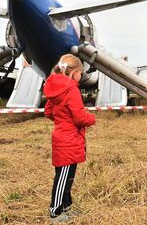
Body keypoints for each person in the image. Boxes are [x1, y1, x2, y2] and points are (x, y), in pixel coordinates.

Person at [43, 54, 96, 222]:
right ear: (73, 73)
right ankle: (55, 211)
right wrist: (91, 119)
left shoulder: (55, 89)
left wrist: (62, 120)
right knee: (63, 177)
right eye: (81, 72)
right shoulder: (71, 88)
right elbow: (80, 117)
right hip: (69, 139)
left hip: (61, 136)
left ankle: (66, 207)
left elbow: (48, 112)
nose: (82, 76)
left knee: (67, 175)